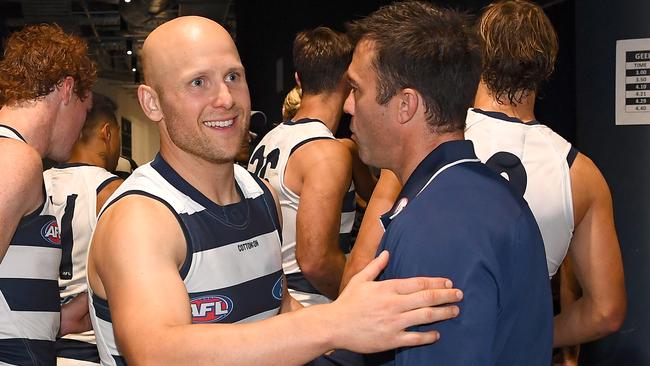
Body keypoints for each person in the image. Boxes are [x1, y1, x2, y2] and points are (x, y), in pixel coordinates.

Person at [86, 16, 463, 365]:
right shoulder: (140, 219)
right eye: (198, 82)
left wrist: (368, 321)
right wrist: (333, 323)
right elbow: (157, 354)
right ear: (152, 103)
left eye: (233, 77)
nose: (226, 99)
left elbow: (276, 308)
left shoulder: (260, 195)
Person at [343, 2, 552, 364]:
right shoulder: (469, 192)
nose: (347, 105)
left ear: (405, 105)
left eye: (356, 89)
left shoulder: (439, 227)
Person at [467, 0, 625, 348]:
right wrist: (526, 338)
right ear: (547, 66)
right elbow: (606, 311)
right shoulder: (581, 174)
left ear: (477, 56)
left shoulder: (427, 139)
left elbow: (362, 268)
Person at [0, 23, 96, 365]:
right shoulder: (15, 157)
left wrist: (57, 318)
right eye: (85, 112)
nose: (82, 128)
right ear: (67, 90)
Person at [248, 27, 356, 305]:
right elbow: (315, 261)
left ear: (298, 79)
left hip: (271, 299)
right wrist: (356, 302)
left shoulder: (267, 141)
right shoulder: (326, 151)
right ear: (349, 79)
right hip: (311, 308)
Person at [43, 93, 123, 365]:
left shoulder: (34, 182)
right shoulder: (113, 192)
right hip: (90, 347)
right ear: (107, 133)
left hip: (37, 344)